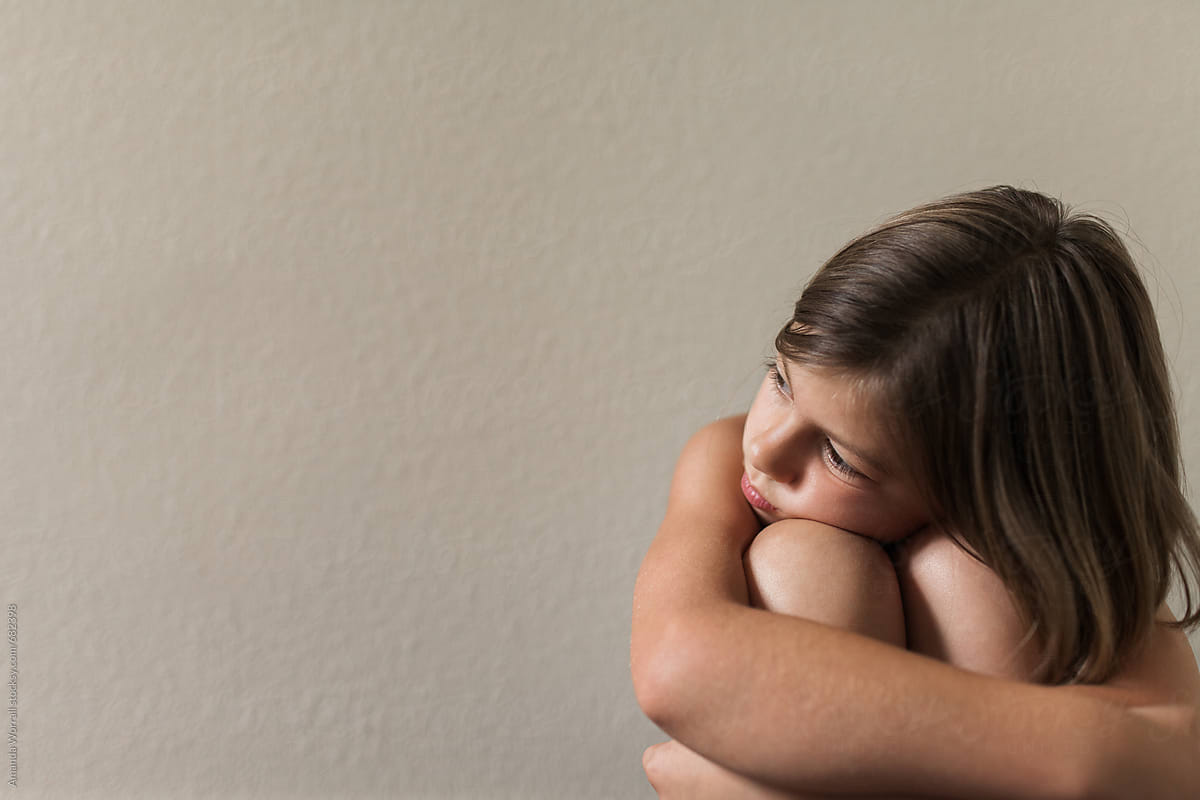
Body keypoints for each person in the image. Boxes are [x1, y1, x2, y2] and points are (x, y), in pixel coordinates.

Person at [630, 186, 1200, 799]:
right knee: (808, 560)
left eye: (840, 458)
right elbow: (675, 667)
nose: (765, 447)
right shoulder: (726, 455)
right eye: (780, 379)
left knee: (966, 572)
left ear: (990, 495)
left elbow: (1157, 763)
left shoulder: (1019, 569)